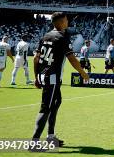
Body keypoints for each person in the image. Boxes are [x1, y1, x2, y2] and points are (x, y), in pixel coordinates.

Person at [31, 12, 89, 148]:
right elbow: (71, 58)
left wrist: (36, 77)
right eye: (66, 19)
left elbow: (35, 58)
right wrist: (82, 72)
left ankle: (50, 137)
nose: (68, 22)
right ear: (61, 22)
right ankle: (34, 142)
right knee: (46, 108)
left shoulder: (46, 36)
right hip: (51, 78)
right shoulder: (62, 37)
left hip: (44, 75)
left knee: (56, 102)